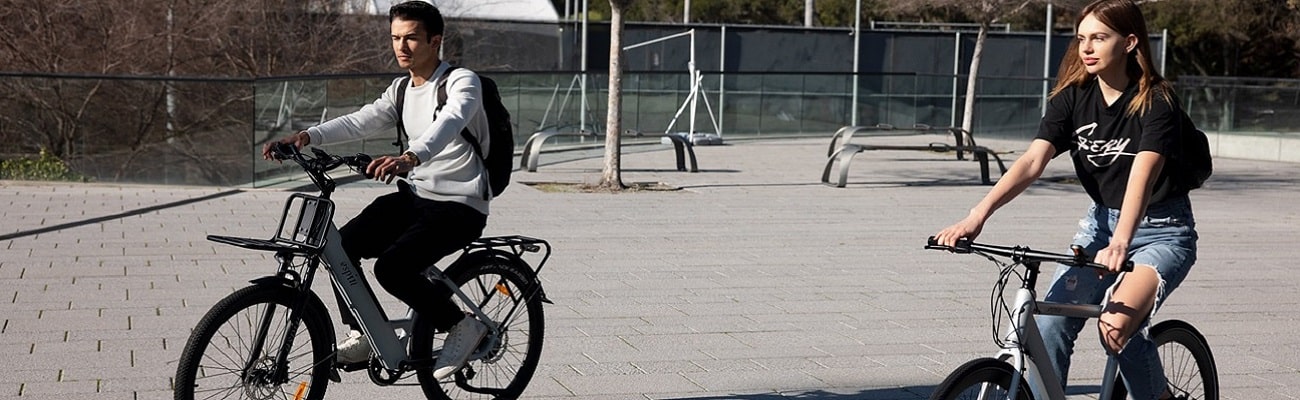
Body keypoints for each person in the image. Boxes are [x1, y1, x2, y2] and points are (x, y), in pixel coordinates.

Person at [933, 1, 1202, 399]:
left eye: (1098, 37)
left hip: (1162, 232)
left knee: (1115, 327)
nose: (1087, 48)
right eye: (1081, 39)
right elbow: (1031, 161)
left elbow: (1141, 178)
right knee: (1047, 325)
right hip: (1101, 225)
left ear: (1129, 42)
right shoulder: (1073, 97)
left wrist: (1121, 242)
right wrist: (976, 217)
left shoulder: (1155, 101)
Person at [261, 0, 491, 380]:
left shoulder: (461, 82)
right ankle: (362, 332)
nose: (402, 47)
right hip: (418, 197)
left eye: (412, 38)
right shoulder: (401, 90)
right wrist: (306, 136)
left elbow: (451, 120)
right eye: (395, 38)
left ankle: (460, 324)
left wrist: (411, 156)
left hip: (460, 205)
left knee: (393, 268)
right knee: (342, 246)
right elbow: (362, 120)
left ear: (436, 41)